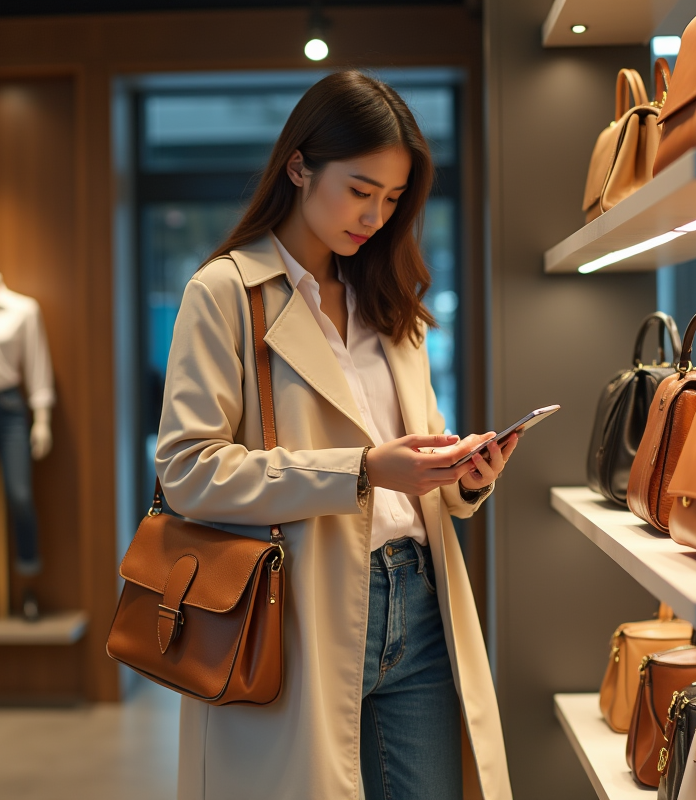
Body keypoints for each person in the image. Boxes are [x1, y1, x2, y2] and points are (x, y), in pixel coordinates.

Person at [155, 70, 515, 800]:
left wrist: (464, 475)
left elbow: (415, 450)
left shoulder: (390, 301)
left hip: (419, 601)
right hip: (298, 609)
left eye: (391, 199)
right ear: (299, 166)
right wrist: (361, 470)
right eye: (360, 190)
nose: (375, 216)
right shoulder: (226, 293)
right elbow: (188, 471)